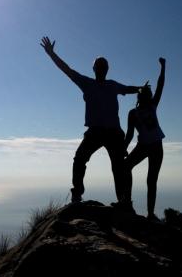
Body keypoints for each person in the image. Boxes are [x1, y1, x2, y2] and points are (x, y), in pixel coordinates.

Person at [40, 36, 143, 204]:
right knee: (79, 159)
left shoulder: (113, 85)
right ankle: (77, 194)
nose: (101, 69)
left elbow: (128, 88)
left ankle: (124, 200)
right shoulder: (86, 83)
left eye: (104, 67)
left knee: (118, 167)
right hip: (95, 131)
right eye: (99, 67)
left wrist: (140, 89)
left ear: (107, 69)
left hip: (114, 132)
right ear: (94, 69)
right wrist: (52, 54)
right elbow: (66, 69)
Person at [122, 57, 166, 221]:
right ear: (140, 96)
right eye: (145, 94)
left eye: (149, 94)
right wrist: (123, 148)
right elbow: (129, 135)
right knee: (126, 167)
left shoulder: (152, 106)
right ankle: (127, 201)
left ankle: (150, 213)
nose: (148, 96)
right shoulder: (132, 113)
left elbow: (160, 85)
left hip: (155, 146)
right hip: (144, 145)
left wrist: (163, 67)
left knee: (151, 179)